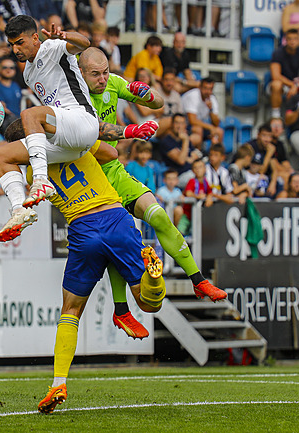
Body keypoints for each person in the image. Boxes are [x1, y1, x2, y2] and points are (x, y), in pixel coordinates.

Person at [3, 119, 164, 414]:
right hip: (114, 217)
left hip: (82, 230)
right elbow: (111, 155)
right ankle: (154, 278)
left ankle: (58, 383)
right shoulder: (71, 143)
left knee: (71, 310)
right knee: (149, 304)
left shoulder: (30, 173)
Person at [77, 47, 227, 336]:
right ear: (81, 73)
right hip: (91, 180)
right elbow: (95, 130)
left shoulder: (113, 83)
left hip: (115, 172)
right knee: (115, 239)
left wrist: (143, 91)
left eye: (106, 71)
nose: (103, 78)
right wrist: (131, 130)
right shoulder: (74, 96)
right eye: (95, 74)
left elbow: (158, 103)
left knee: (158, 215)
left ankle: (198, 280)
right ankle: (121, 310)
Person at [0, 16, 155, 241]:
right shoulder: (28, 73)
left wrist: (65, 35)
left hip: (82, 120)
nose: (15, 49)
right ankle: (19, 210)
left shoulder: (52, 47)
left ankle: (40, 181)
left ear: (35, 37)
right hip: (67, 140)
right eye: (12, 45)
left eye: (20, 42)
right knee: (0, 155)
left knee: (30, 114)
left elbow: (84, 44)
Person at [269, 29, 299, 119]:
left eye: (295, 39)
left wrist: (296, 86)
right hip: (283, 84)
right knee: (276, 85)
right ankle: (275, 114)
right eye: (290, 39)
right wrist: (292, 85)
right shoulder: (278, 53)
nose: (292, 42)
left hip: (297, 83)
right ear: (285, 40)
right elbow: (276, 76)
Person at [181, 77, 224, 150]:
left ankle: (214, 156)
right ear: (200, 87)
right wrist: (210, 127)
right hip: (185, 125)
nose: (207, 91)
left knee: (219, 132)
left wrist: (211, 110)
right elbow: (192, 121)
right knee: (198, 129)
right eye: (205, 88)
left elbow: (216, 123)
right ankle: (199, 155)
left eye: (210, 89)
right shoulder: (193, 96)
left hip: (201, 126)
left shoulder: (212, 99)